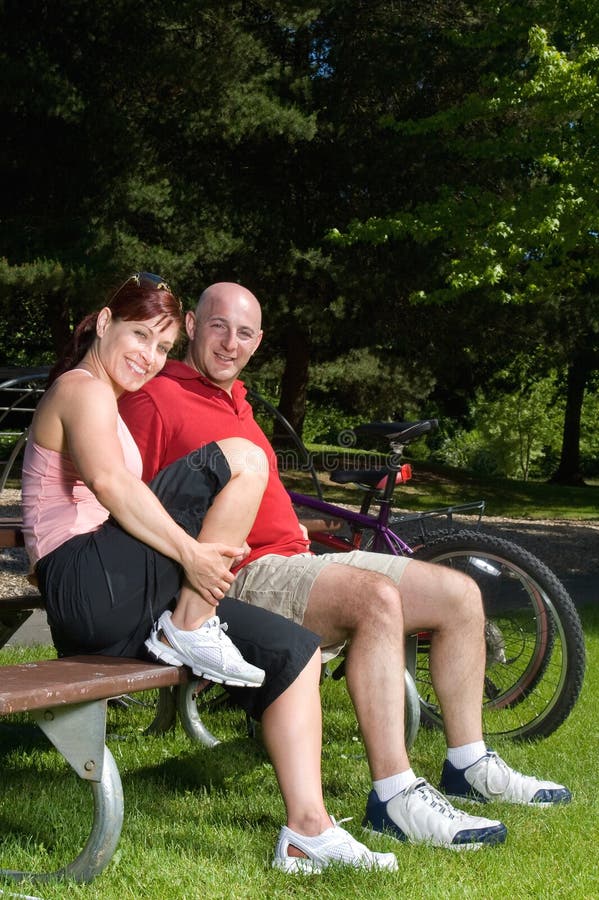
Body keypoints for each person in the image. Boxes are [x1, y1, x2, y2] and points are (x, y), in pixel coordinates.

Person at [120, 281, 572, 852]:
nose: (229, 343)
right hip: (240, 574)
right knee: (374, 597)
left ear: (258, 342)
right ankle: (394, 795)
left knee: (460, 594)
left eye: (244, 332)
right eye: (217, 326)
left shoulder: (239, 402)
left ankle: (468, 763)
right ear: (190, 325)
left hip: (296, 558)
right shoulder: (152, 398)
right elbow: (127, 497)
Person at [21, 272, 400, 875]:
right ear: (101, 322)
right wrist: (193, 556)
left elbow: (134, 498)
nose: (148, 356)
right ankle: (190, 626)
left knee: (294, 651)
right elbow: (113, 486)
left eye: (162, 348)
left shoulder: (110, 402)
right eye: (139, 335)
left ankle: (309, 831)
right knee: (243, 456)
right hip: (83, 584)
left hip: (127, 598)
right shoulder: (81, 388)